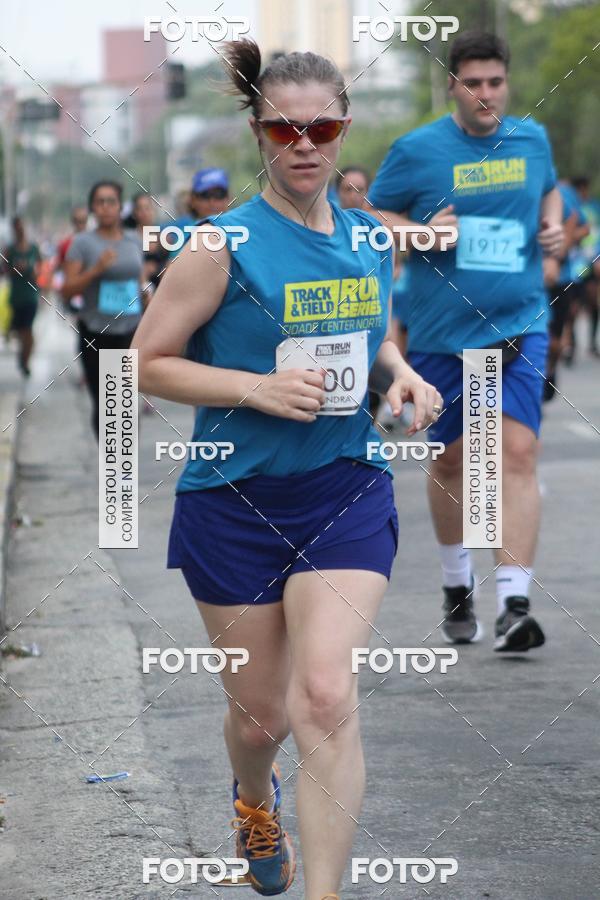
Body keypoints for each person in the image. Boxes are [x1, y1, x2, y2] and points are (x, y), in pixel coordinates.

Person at [132, 39, 442, 900]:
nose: (304, 143)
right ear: (259, 131)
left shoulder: (366, 238)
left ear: (344, 130)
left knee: (323, 693)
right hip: (231, 500)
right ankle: (249, 795)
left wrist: (401, 373)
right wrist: (252, 387)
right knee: (261, 714)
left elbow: (371, 335)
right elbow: (149, 362)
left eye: (323, 125)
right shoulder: (219, 243)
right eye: (284, 127)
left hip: (344, 484)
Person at [368, 31, 564, 652]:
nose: (485, 93)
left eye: (495, 82)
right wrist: (419, 232)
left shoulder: (532, 140)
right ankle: (458, 584)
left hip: (519, 323)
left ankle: (514, 603)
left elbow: (550, 189)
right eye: (472, 83)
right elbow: (370, 218)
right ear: (454, 85)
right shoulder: (418, 150)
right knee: (452, 461)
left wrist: (554, 225)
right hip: (442, 334)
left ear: (508, 84)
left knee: (517, 454)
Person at [61, 180, 145, 439]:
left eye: (112, 201)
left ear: (120, 207)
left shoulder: (133, 240)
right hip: (96, 332)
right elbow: (67, 289)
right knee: (108, 404)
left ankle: (124, 467)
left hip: (130, 331)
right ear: (92, 208)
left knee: (127, 404)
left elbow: (138, 280)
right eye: (100, 202)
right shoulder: (82, 243)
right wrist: (96, 269)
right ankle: (113, 467)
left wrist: (148, 300)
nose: (106, 207)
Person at [2, 216, 42, 377]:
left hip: (31, 295)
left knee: (28, 330)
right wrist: (16, 269)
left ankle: (25, 359)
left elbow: (41, 268)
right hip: (16, 295)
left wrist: (35, 272)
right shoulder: (9, 250)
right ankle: (23, 355)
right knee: (21, 331)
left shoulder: (33, 248)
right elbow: (4, 270)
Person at [163, 168, 231, 259]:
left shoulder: (241, 232)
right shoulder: (185, 236)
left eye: (219, 195)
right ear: (193, 200)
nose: (212, 201)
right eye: (205, 195)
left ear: (228, 198)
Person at [571, 176, 600, 356]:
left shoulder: (594, 207)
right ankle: (570, 344)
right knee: (572, 307)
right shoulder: (568, 207)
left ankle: (591, 343)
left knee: (593, 301)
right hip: (574, 265)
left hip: (591, 261)